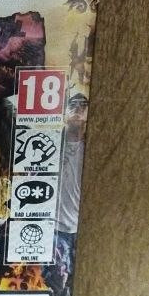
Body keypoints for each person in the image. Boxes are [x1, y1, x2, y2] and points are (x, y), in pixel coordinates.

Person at [57, 92, 88, 234]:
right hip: (51, 226)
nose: (78, 108)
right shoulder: (51, 143)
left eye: (84, 105)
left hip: (80, 228)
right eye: (72, 104)